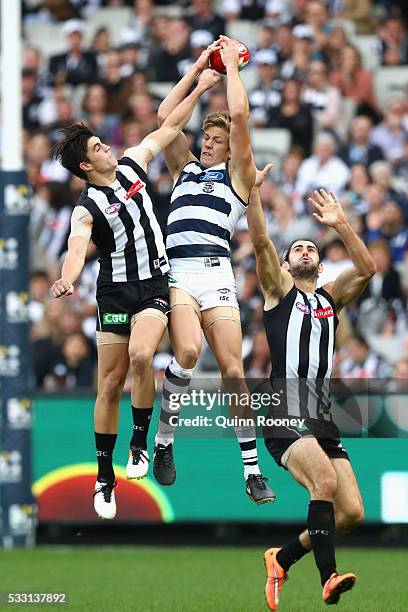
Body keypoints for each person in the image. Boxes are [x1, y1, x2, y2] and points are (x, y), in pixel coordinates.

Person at [50, 69, 220, 521]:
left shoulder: (131, 164)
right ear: (86, 166)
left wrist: (201, 88)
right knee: (108, 385)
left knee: (144, 358)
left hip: (153, 287)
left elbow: (166, 130)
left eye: (102, 142)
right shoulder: (86, 208)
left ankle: (139, 445)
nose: (105, 146)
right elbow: (75, 249)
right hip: (115, 294)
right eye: (96, 148)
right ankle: (104, 477)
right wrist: (68, 277)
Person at [153, 36, 275, 504]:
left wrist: (234, 70)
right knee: (185, 352)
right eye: (206, 137)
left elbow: (241, 117)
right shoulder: (183, 168)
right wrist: (202, 72)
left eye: (216, 140)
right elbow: (166, 117)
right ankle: (164, 442)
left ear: (230, 149)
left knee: (232, 370)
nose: (206, 144)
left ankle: (252, 471)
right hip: (180, 271)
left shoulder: (238, 178)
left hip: (216, 273)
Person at [246, 170, 376, 609]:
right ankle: (329, 576)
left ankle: (281, 558)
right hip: (284, 410)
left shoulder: (330, 298)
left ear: (320, 266)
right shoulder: (277, 291)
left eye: (312, 249)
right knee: (322, 479)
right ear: (285, 265)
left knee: (353, 513)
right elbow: (262, 241)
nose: (304, 251)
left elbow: (368, 268)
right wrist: (253, 193)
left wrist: (340, 224)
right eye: (297, 248)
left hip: (320, 417)